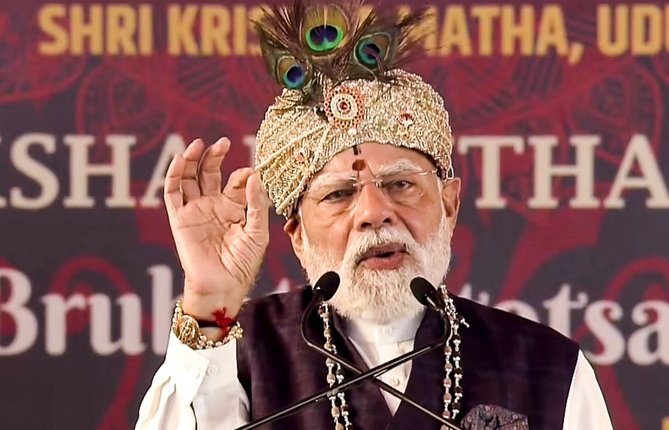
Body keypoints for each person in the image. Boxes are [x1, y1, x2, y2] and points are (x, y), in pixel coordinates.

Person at [135, 1, 613, 429]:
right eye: (339, 194)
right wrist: (209, 302)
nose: (373, 213)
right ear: (297, 236)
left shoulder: (547, 366)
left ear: (449, 205)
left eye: (400, 185)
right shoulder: (242, 351)